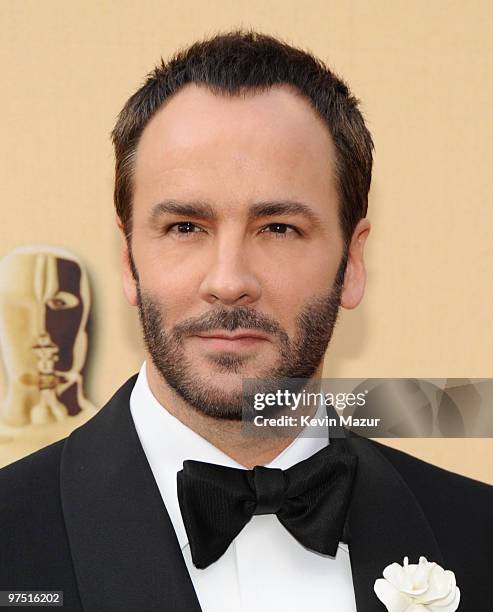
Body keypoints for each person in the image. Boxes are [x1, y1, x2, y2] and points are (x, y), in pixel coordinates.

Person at [0, 30, 491, 612]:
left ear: (352, 261)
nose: (229, 279)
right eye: (185, 227)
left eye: (278, 228)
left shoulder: (476, 536)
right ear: (129, 259)